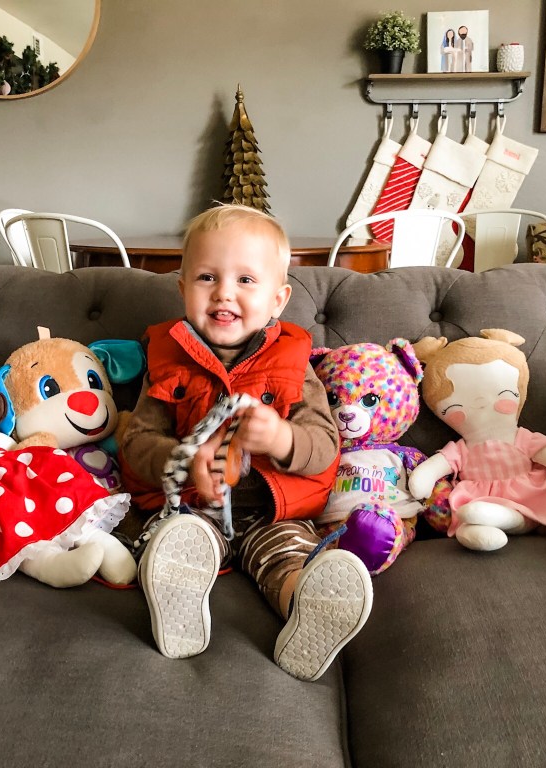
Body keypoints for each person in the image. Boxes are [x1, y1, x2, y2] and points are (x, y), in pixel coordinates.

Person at [118, 203, 373, 682]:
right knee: (176, 540)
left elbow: (324, 444)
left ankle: (304, 606)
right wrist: (184, 459)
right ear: (182, 289)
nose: (224, 293)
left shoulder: (293, 364)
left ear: (278, 299)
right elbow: (137, 441)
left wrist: (282, 437)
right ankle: (178, 601)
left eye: (245, 280)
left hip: (273, 511)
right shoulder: (166, 359)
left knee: (289, 557)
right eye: (207, 278)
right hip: (194, 505)